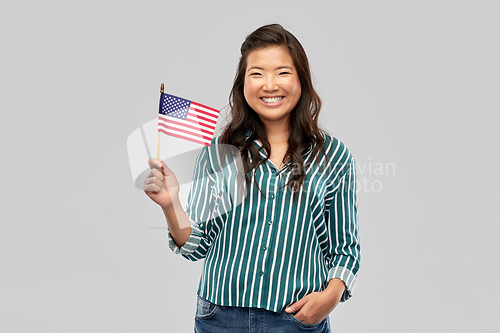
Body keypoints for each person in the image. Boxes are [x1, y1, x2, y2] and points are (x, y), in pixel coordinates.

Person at [144, 23, 361, 333]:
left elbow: (345, 248)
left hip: (295, 320)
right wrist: (170, 204)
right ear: (243, 85)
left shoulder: (333, 156)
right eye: (257, 73)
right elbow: (197, 245)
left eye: (282, 72)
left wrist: (331, 294)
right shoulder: (219, 155)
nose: (269, 85)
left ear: (301, 81)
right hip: (219, 319)